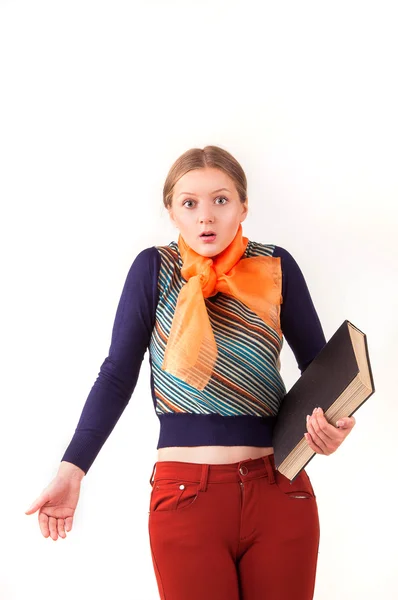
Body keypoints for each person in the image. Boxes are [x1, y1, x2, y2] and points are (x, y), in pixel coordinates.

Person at [25, 145, 356, 600]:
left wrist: (331, 426)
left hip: (281, 490)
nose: (206, 217)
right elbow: (117, 375)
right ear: (171, 212)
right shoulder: (154, 270)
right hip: (185, 498)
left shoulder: (276, 267)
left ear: (243, 206)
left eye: (221, 200)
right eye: (190, 203)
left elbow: (321, 373)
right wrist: (72, 469)